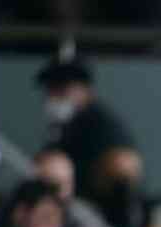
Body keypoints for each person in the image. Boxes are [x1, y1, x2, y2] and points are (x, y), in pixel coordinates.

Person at [36, 57, 140, 204]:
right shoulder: (64, 126)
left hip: (100, 214)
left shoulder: (100, 122)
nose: (54, 97)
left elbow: (123, 166)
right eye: (50, 89)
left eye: (62, 90)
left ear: (84, 90)